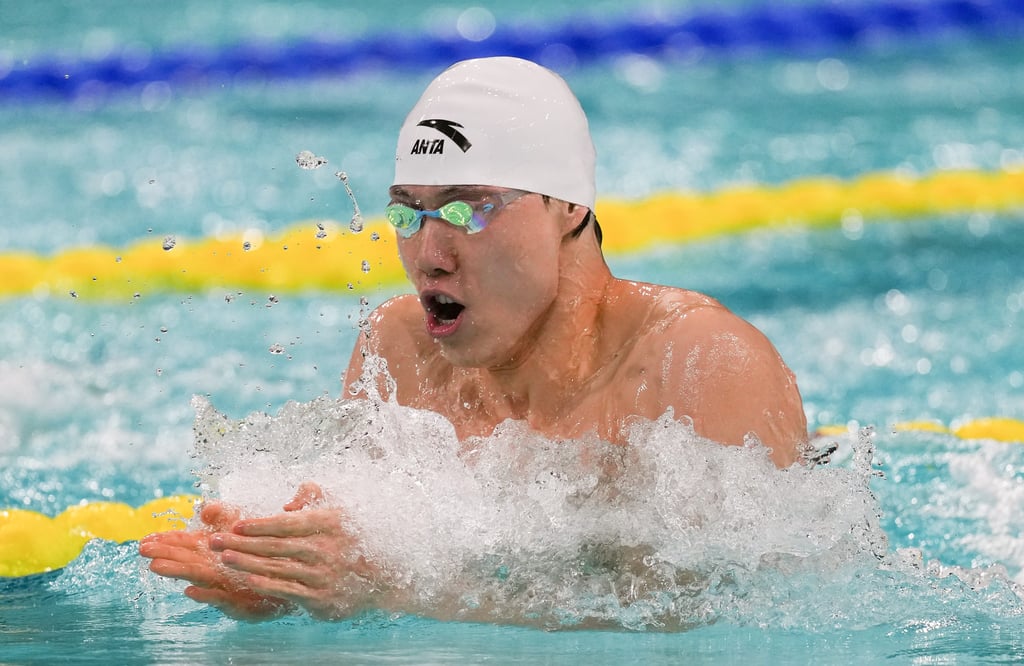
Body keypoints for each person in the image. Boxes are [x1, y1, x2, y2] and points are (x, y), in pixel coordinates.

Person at [140, 56, 808, 622]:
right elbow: (362, 572)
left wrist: (397, 592)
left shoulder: (701, 366)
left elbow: (739, 617)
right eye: (408, 212)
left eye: (467, 209)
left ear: (569, 205)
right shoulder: (399, 350)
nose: (429, 253)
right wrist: (281, 580)